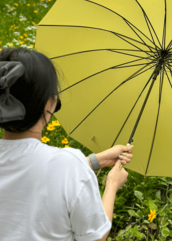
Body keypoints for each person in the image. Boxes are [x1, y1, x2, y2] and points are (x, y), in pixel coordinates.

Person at [0, 48, 134, 241]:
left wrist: (94, 161)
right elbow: (97, 237)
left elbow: (27, 168)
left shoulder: (69, 166)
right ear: (49, 104)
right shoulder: (68, 165)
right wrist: (112, 185)